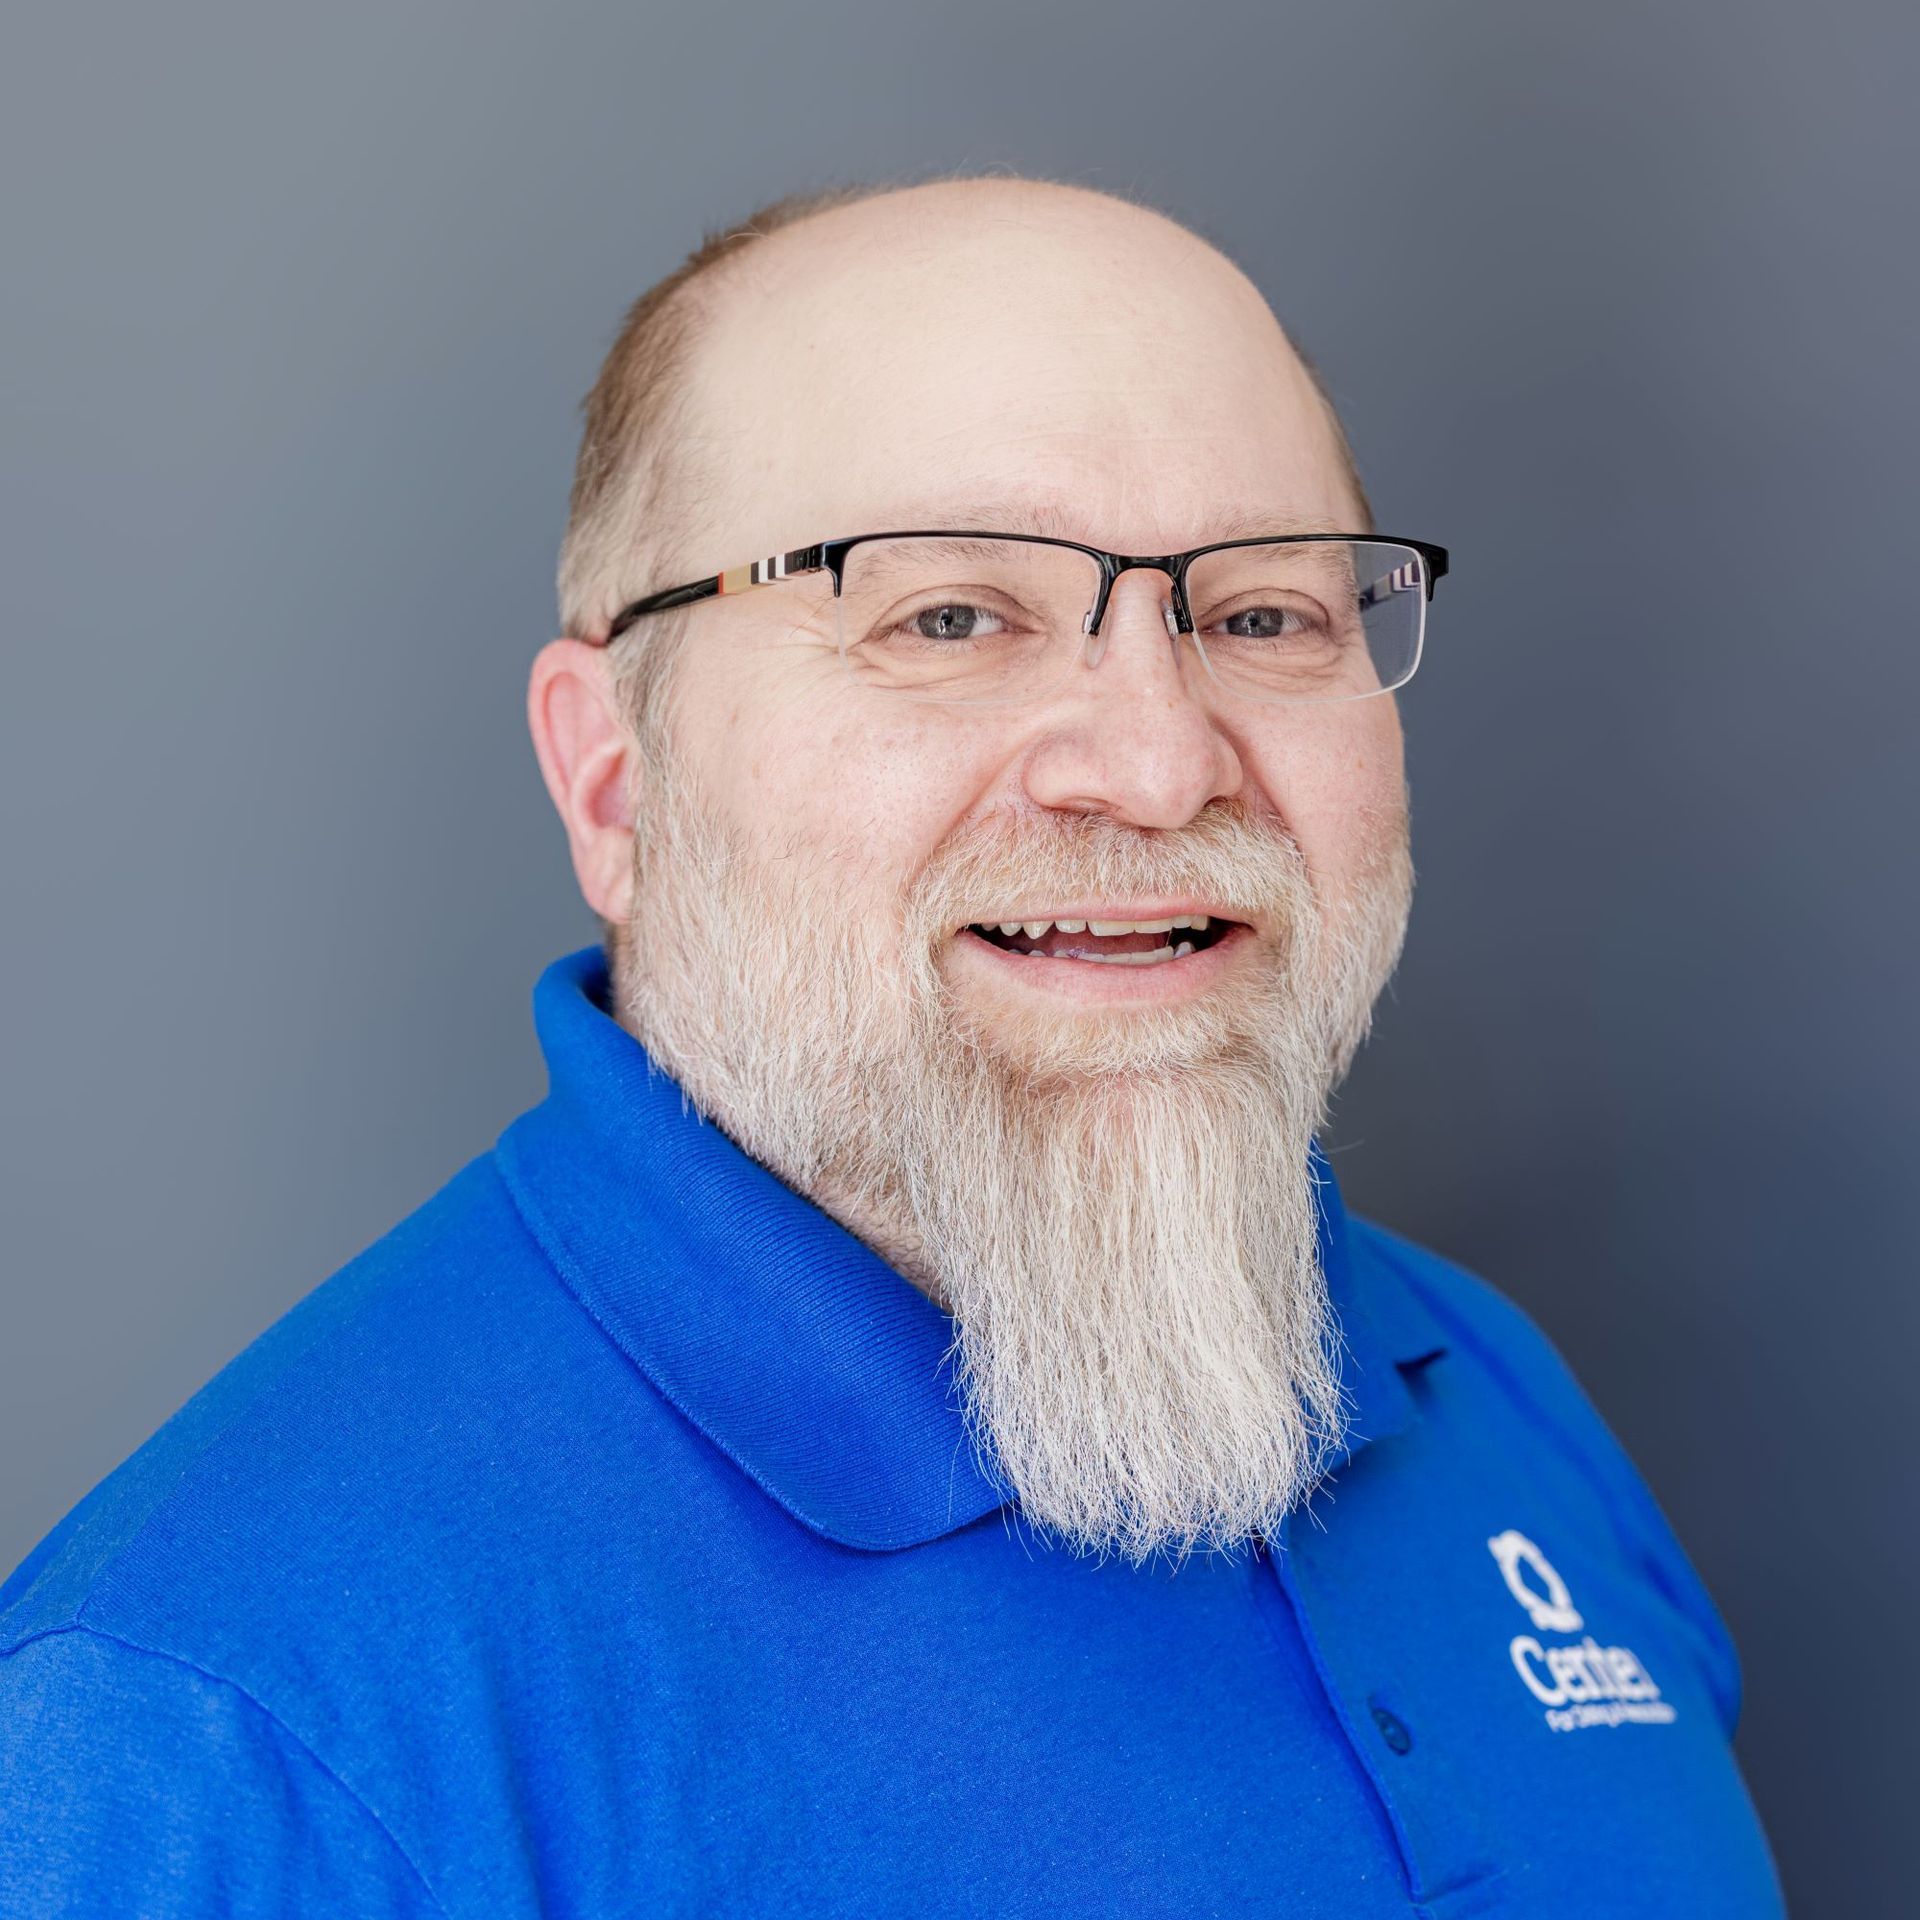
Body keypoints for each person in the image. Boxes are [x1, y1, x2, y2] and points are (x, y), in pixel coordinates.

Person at [0, 172, 1785, 1916]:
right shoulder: (215, 1723)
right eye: (949, 617)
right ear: (614, 775)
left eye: (1262, 614)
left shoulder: (1477, 1383)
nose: (1160, 766)